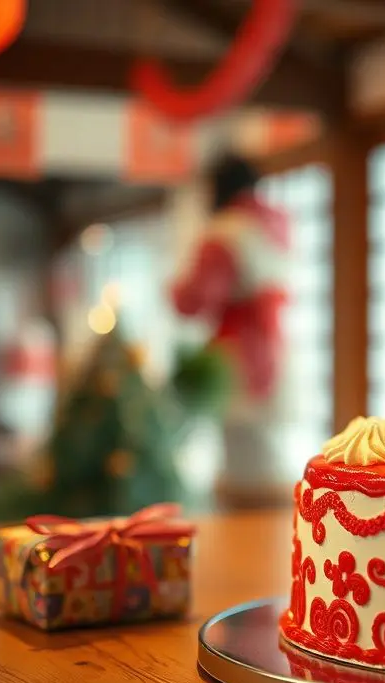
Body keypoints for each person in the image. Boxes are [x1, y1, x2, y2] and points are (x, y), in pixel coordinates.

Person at [170, 153, 294, 507]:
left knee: (241, 454)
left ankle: (247, 541)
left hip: (237, 350)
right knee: (269, 446)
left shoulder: (226, 231)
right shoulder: (279, 224)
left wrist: (175, 287)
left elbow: (193, 301)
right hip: (277, 344)